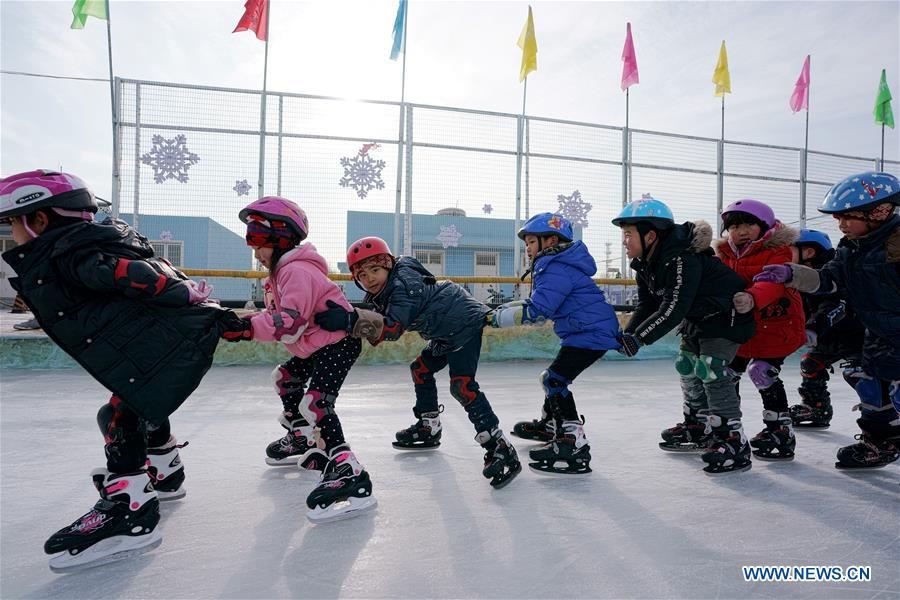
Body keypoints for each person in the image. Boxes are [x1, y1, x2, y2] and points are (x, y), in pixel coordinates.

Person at [0, 169, 243, 571]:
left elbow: (137, 275)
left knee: (118, 415)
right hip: (153, 350)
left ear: (38, 220)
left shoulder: (73, 254)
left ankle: (130, 509)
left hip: (161, 351)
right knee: (133, 408)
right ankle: (164, 471)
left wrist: (185, 293)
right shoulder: (78, 247)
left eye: (12, 223)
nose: (13, 234)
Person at [314, 237, 521, 488]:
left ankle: (499, 445)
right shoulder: (385, 289)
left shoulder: (402, 285)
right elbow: (376, 318)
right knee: (421, 369)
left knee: (462, 386)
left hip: (464, 324)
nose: (369, 279)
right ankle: (429, 425)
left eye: (375, 270)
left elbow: (391, 328)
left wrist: (348, 320)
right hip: (444, 330)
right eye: (362, 275)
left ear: (388, 265)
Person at [230, 196, 376, 521]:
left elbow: (290, 323)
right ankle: (303, 438)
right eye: (249, 240)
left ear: (281, 238)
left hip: (338, 343)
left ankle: (347, 470)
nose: (254, 250)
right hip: (314, 345)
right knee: (286, 380)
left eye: (257, 240)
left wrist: (244, 328)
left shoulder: (296, 272)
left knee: (316, 403)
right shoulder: (280, 273)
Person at [755, 171, 900, 469]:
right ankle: (881, 441)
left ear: (880, 211)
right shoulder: (850, 248)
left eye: (848, 216)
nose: (842, 224)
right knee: (871, 389)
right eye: (838, 218)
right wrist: (793, 274)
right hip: (877, 335)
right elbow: (828, 280)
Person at [612, 196, 756, 474]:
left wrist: (638, 339)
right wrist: (627, 335)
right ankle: (698, 425)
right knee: (687, 366)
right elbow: (647, 305)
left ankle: (732, 438)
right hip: (698, 319)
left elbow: (673, 309)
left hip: (726, 316)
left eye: (629, 235)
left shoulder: (681, 258)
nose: (625, 241)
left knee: (712, 370)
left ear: (650, 235)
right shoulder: (646, 263)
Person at [488, 212, 620, 475]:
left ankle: (573, 441)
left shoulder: (555, 267)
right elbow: (532, 303)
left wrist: (495, 319)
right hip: (586, 332)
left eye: (530, 243)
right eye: (526, 244)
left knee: (554, 380)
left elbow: (538, 309)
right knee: (552, 378)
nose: (527, 249)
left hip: (591, 334)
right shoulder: (556, 264)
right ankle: (550, 424)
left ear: (549, 241)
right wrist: (498, 310)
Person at [716, 199, 805, 462]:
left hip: (778, 325)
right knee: (727, 373)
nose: (741, 231)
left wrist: (752, 298)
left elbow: (772, 283)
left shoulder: (779, 250)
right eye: (734, 226)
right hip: (744, 327)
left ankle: (779, 430)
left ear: (764, 226)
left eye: (748, 224)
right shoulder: (724, 254)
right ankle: (728, 428)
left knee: (761, 372)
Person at [788, 229, 864, 428]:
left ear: (809, 252)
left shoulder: (832, 273)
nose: (784, 254)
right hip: (829, 337)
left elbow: (835, 305)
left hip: (856, 335)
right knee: (811, 364)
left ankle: (884, 412)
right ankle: (817, 408)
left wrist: (813, 327)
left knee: (859, 373)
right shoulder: (797, 276)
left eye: (789, 249)